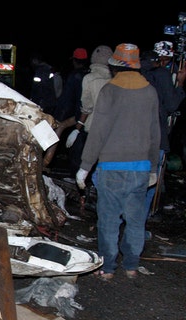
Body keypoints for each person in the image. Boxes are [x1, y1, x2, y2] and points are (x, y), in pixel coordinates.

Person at [76, 43, 160, 281]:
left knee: (109, 221)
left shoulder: (110, 90)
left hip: (111, 168)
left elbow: (98, 132)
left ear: (114, 65)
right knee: (135, 221)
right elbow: (155, 134)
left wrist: (85, 166)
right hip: (141, 168)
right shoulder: (150, 91)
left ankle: (108, 268)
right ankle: (131, 266)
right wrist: (153, 167)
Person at [140, 48, 186, 228]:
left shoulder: (133, 76)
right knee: (149, 185)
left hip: (131, 139)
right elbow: (172, 105)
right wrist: (180, 85)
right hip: (155, 138)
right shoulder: (161, 75)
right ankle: (138, 228)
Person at [66, 45, 113, 192]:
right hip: (111, 130)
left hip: (92, 128)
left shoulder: (89, 78)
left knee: (85, 162)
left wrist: (77, 129)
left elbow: (86, 107)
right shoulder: (115, 79)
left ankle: (84, 193)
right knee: (102, 164)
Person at [44, 48, 90, 168]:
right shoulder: (89, 74)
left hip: (78, 114)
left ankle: (46, 161)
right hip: (89, 114)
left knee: (61, 130)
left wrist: (59, 115)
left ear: (75, 61)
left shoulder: (75, 76)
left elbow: (67, 98)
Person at [29, 52, 58, 116]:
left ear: (35, 60)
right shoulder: (48, 69)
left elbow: (39, 88)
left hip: (44, 103)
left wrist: (36, 101)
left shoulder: (41, 71)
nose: (31, 64)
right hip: (50, 102)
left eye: (32, 61)